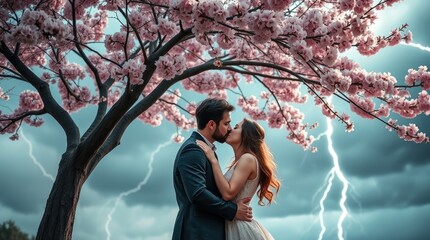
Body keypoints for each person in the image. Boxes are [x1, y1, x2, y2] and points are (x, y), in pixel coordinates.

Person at [172, 98, 253, 240]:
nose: (229, 128)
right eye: (226, 123)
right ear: (211, 124)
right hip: (197, 232)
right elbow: (197, 193)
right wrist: (233, 210)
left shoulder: (208, 152)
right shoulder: (193, 150)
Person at [196, 118, 281, 240]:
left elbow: (228, 193)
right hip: (232, 224)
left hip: (241, 228)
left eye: (236, 127)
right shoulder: (239, 162)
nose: (230, 129)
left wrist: (213, 160)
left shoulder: (248, 159)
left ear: (246, 135)